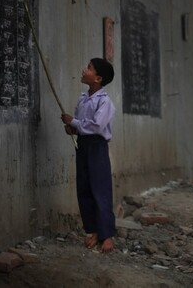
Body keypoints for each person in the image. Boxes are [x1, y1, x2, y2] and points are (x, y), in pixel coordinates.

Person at [61, 58, 116, 253]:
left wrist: (74, 122)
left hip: (97, 147)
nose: (84, 70)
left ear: (98, 78)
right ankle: (93, 231)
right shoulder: (83, 98)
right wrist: (73, 129)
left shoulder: (105, 102)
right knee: (84, 189)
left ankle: (107, 235)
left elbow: (95, 126)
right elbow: (82, 127)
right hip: (83, 146)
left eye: (89, 68)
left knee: (100, 190)